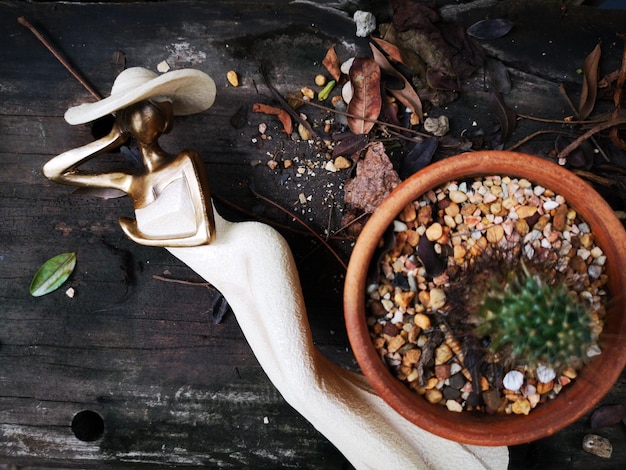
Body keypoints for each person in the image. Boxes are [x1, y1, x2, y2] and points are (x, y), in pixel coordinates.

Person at [45, 67, 507, 469]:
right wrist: (110, 136)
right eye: (136, 112)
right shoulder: (133, 181)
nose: (148, 118)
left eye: (151, 109)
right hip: (232, 278)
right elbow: (57, 173)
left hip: (252, 255)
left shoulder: (181, 164)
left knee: (306, 387)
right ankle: (429, 452)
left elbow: (201, 229)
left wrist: (141, 226)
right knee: (304, 388)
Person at [43, 67, 216, 247]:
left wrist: (139, 235)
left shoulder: (185, 161)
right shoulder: (129, 181)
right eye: (127, 113)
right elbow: (54, 172)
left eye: (144, 109)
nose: (138, 119)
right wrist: (111, 139)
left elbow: (205, 234)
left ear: (164, 115)